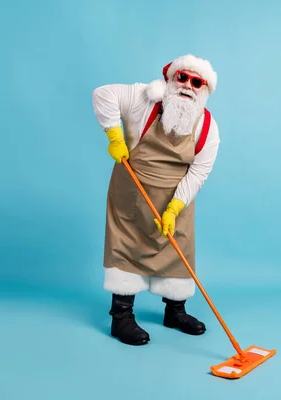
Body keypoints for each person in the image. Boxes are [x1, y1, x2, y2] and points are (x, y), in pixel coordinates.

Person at [91, 54, 220, 346]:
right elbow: (103, 94)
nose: (188, 85)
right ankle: (121, 316)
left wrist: (175, 208)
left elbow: (198, 172)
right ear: (171, 79)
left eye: (197, 82)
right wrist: (114, 135)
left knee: (178, 251)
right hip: (132, 197)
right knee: (127, 246)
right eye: (182, 78)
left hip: (175, 201)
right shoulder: (144, 99)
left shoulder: (208, 127)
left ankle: (175, 311)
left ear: (204, 90)